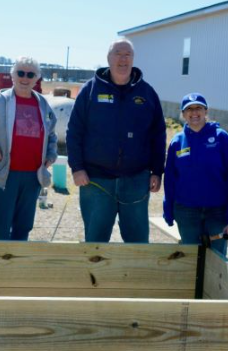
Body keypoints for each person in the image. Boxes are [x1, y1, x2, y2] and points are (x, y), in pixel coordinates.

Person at [66, 38, 166, 243]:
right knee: (95, 241)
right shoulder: (90, 91)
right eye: (118, 53)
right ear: (108, 58)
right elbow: (74, 131)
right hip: (95, 180)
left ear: (133, 59)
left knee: (137, 242)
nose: (123, 59)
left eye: (128, 54)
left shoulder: (147, 93)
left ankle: (133, 276)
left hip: (136, 180)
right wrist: (77, 167)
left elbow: (158, 134)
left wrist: (157, 170)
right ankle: (95, 276)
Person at [0, 56, 57, 241]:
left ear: (36, 78)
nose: (25, 78)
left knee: (23, 226)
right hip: (6, 175)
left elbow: (52, 134)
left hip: (33, 176)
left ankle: (17, 267)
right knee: (1, 226)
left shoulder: (43, 104)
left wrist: (51, 154)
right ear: (12, 75)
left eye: (30, 74)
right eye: (20, 73)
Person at [163, 93, 228, 254]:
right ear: (183, 114)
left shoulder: (221, 138)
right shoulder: (177, 142)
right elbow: (170, 179)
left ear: (206, 111)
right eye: (189, 109)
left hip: (217, 211)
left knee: (216, 258)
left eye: (198, 108)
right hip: (186, 211)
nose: (194, 112)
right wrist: (168, 208)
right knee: (190, 257)